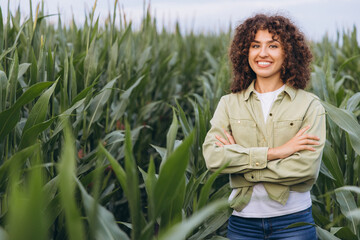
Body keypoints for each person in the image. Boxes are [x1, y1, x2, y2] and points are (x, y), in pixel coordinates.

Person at [202, 14, 326, 240]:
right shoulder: (229, 104)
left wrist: (241, 164)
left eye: (273, 45)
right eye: (255, 45)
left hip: (293, 223)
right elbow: (213, 158)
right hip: (242, 224)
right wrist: (278, 152)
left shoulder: (309, 105)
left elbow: (305, 169)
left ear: (288, 52)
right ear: (245, 52)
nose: (263, 53)